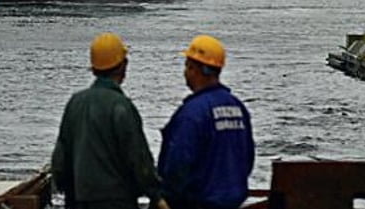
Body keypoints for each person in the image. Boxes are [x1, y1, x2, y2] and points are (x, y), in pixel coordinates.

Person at [51, 33, 166, 209]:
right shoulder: (121, 107)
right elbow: (138, 159)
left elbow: (60, 163)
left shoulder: (75, 103)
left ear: (94, 68)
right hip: (117, 202)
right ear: (123, 66)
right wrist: (156, 195)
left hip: (78, 200)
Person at [158, 35, 254, 209]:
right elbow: (247, 159)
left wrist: (167, 198)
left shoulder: (191, 114)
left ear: (194, 69)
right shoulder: (238, 108)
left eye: (187, 66)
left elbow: (177, 165)